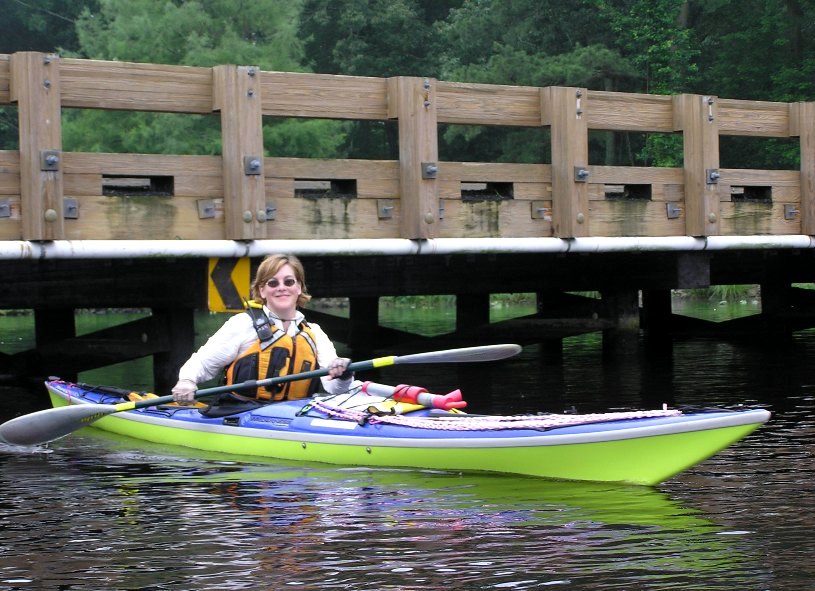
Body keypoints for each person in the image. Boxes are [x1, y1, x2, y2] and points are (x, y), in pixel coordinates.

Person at [171, 253, 353, 406]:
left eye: (289, 282)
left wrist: (343, 374)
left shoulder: (314, 333)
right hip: (242, 413)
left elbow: (335, 388)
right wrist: (187, 381)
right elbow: (203, 363)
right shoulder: (243, 324)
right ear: (262, 291)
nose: (282, 288)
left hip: (295, 415)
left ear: (299, 288)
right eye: (273, 283)